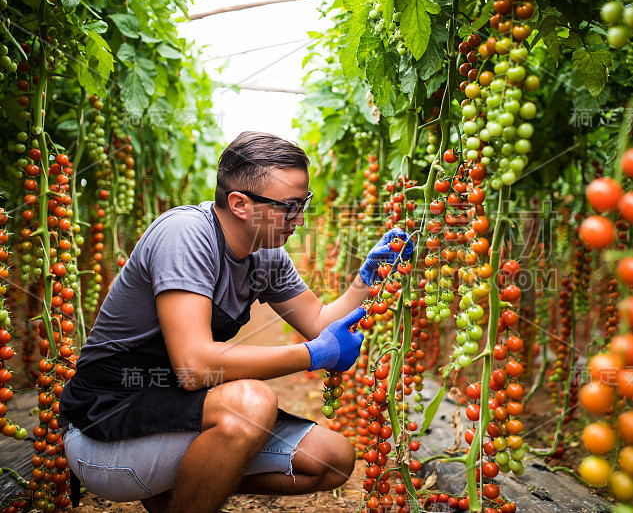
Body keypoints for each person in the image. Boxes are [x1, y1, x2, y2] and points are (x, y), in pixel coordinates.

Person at [59, 132, 413, 513]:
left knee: (331, 458)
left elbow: (320, 321)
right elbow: (195, 367)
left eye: (303, 203)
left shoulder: (267, 256)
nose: (299, 218)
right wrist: (314, 355)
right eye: (289, 206)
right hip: (107, 426)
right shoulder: (185, 234)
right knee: (251, 401)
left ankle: (182, 492)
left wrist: (367, 280)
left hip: (175, 408)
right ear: (240, 203)